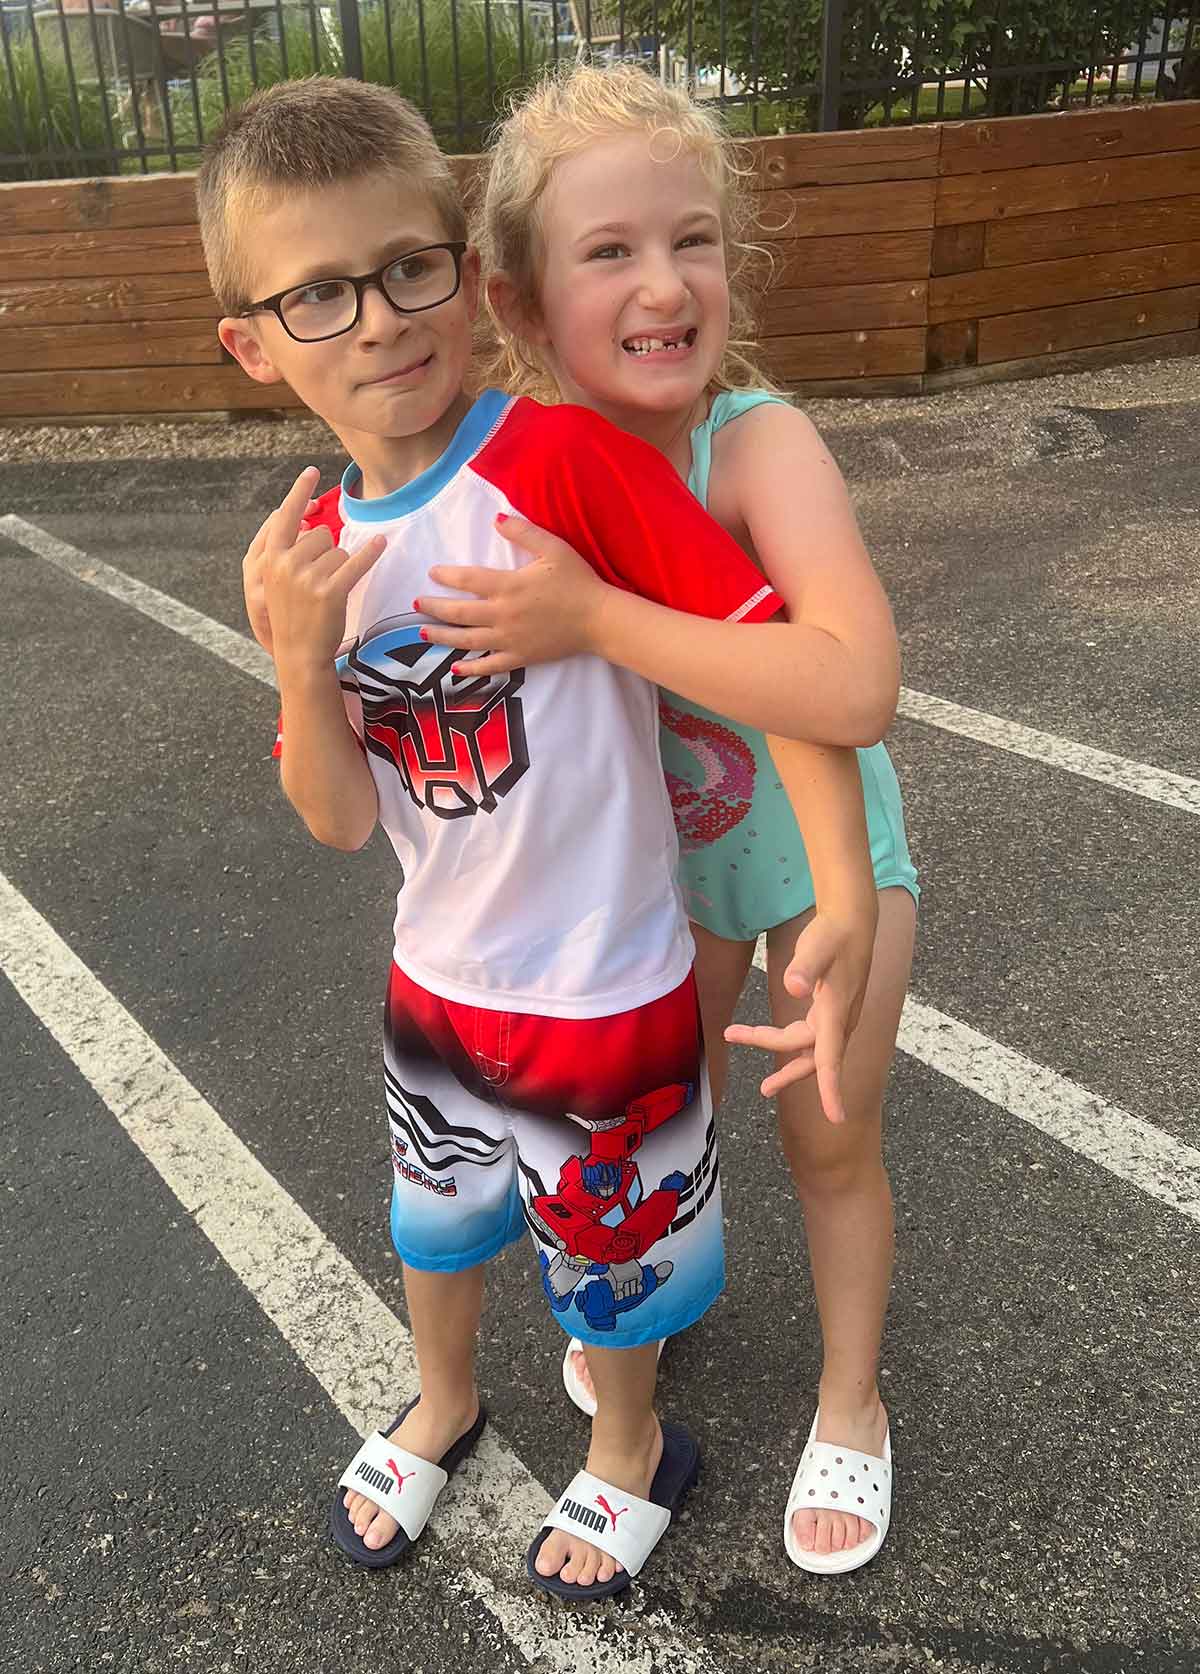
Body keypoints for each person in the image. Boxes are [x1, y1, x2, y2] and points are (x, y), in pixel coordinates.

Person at [200, 76, 885, 1601]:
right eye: (318, 294)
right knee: (433, 1223)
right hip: (438, 977)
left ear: (461, 268)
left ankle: (631, 1450)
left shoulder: (566, 465)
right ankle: (442, 1399)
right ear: (251, 344)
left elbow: (769, 657)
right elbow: (332, 816)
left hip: (606, 975)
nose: (377, 320)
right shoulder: (306, 556)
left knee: (617, 1257)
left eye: (404, 268)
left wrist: (841, 884)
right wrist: (301, 660)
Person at [412, 63, 919, 1576]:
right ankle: (648, 1340)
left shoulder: (758, 443)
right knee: (659, 1133)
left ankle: (852, 1396)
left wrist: (598, 615)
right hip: (656, 885)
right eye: (611, 251)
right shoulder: (534, 469)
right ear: (517, 300)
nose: (664, 283)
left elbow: (850, 683)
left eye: (692, 241)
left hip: (833, 872)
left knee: (832, 1140)